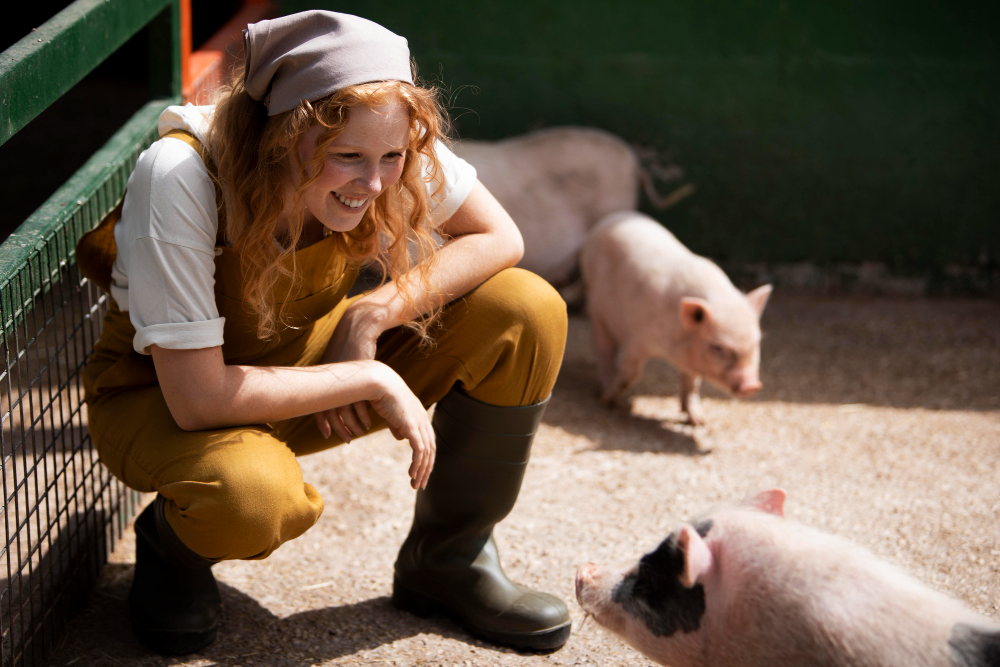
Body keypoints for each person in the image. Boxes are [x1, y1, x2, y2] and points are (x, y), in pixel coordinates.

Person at [78, 10, 570, 657]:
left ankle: (449, 560)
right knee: (251, 498)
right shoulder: (182, 173)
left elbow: (500, 236)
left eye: (392, 158)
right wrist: (367, 376)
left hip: (299, 360)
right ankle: (173, 548)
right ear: (286, 137)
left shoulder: (381, 131)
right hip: (164, 399)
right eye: (349, 159)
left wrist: (371, 314)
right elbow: (197, 397)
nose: (374, 184)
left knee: (526, 308)